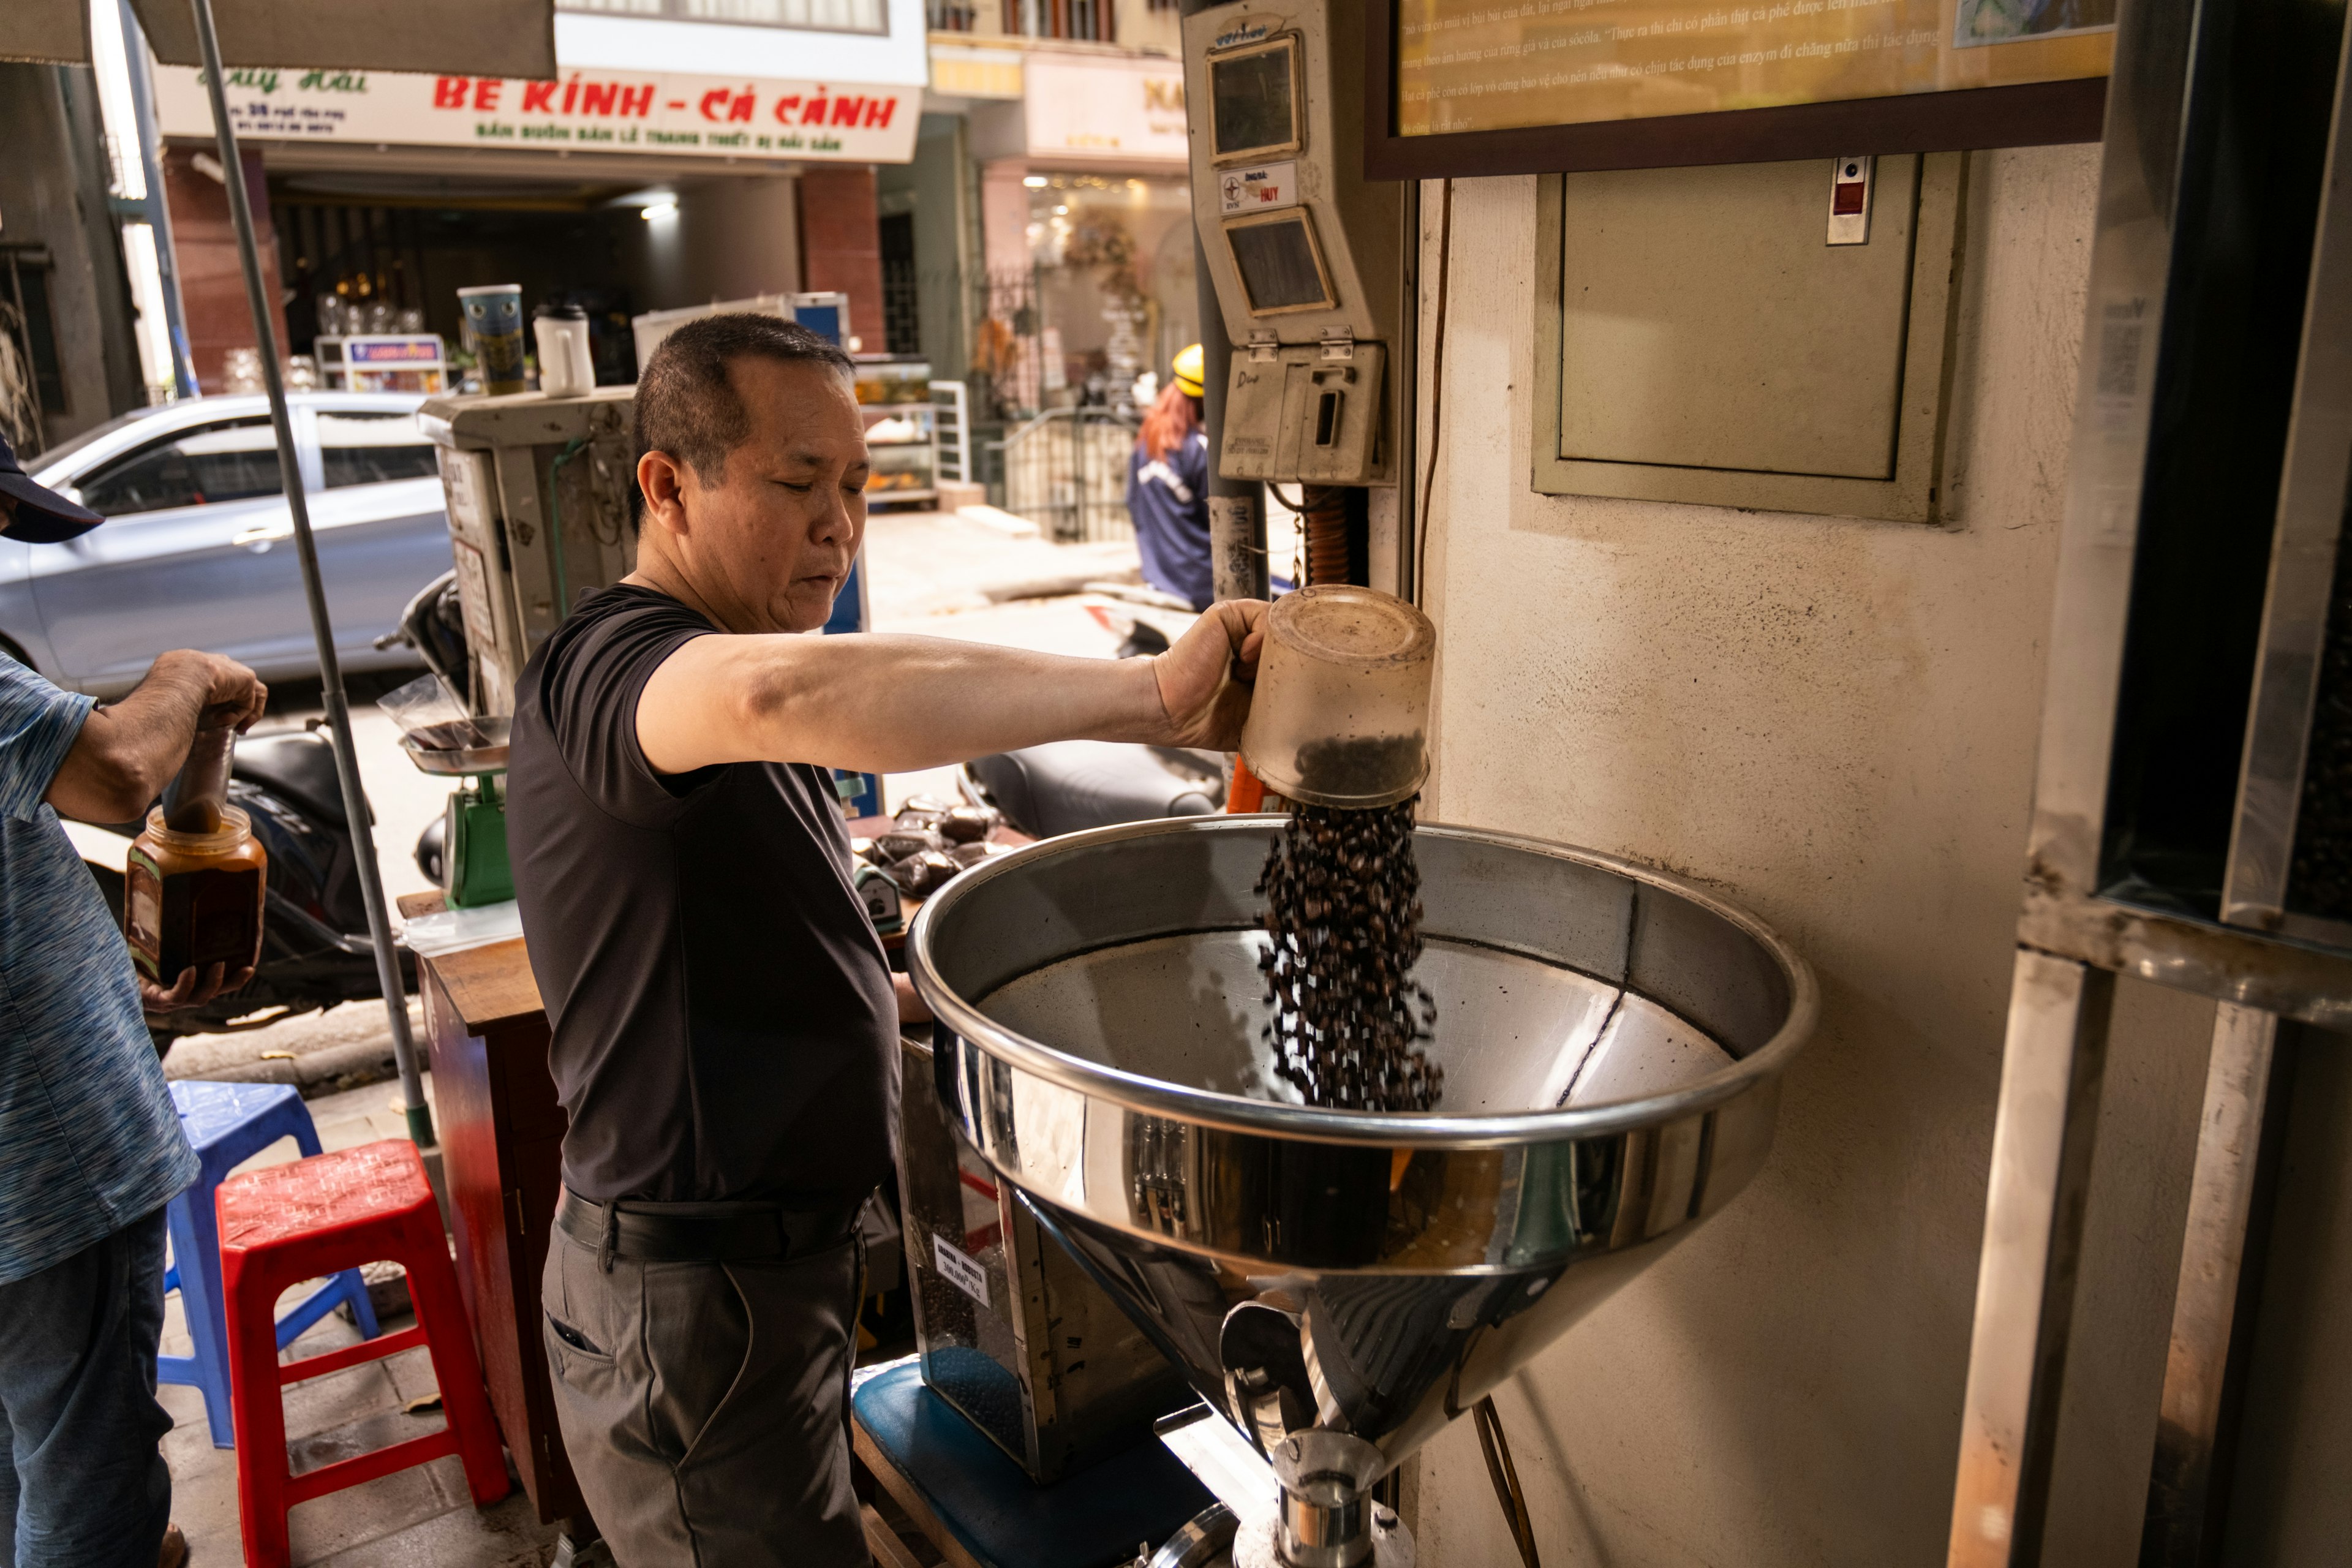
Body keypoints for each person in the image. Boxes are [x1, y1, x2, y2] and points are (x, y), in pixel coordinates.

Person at [507, 314, 1265, 1567]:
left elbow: (768, 911)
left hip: (768, 1281)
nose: (837, 524)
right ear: (667, 486)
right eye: (797, 482)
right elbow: (785, 694)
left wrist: (940, 993)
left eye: (855, 485)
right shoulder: (618, 666)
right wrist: (1152, 697)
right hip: (689, 1307)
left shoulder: (745, 677)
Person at [0, 433, 268, 1568]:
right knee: (89, 1484)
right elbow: (113, 774)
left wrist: (201, 749)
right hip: (45, 1173)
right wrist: (187, 676)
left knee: (25, 1465)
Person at [1126, 342, 1213, 611]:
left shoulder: (1145, 445)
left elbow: (1132, 504)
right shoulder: (1198, 450)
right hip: (1204, 583)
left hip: (1159, 577)